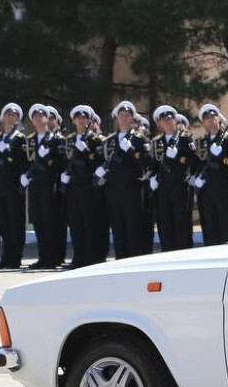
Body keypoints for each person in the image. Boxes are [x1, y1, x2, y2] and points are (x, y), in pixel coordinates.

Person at [96, 101, 152, 259]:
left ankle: (134, 259)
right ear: (116, 119)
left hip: (132, 189)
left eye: (127, 115)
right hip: (114, 190)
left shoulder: (139, 139)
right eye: (121, 115)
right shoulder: (109, 140)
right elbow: (105, 161)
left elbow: (148, 161)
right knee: (117, 226)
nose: (124, 118)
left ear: (132, 119)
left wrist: (133, 151)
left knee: (133, 226)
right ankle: (120, 259)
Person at [63, 105, 106, 268]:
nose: (81, 121)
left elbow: (99, 163)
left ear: (89, 120)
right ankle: (78, 258)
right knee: (75, 223)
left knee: (90, 223)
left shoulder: (96, 140)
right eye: (78, 118)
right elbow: (66, 161)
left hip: (89, 187)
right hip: (74, 186)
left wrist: (87, 152)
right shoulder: (70, 140)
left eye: (84, 118)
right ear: (74, 121)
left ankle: (91, 258)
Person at [24, 103, 66, 269]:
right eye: (35, 116)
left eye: (41, 115)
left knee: (50, 222)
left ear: (47, 119)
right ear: (32, 121)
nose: (38, 118)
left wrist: (49, 161)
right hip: (35, 186)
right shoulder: (30, 141)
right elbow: (26, 161)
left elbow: (61, 162)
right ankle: (43, 257)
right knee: (39, 223)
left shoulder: (56, 139)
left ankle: (53, 258)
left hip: (50, 185)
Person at [151, 105, 199, 252]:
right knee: (165, 225)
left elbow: (195, 161)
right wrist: (152, 177)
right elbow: (152, 164)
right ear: (159, 123)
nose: (166, 121)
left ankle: (184, 256)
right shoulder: (156, 142)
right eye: (163, 119)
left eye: (169, 118)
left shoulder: (185, 140)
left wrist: (179, 157)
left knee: (181, 225)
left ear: (175, 121)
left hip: (180, 188)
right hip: (163, 189)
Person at [0, 103, 29, 269]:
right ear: (2, 117)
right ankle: (6, 256)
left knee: (15, 222)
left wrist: (9, 152)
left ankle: (15, 257)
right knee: (3, 222)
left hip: (14, 185)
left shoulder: (20, 139)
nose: (11, 117)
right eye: (8, 114)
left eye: (15, 115)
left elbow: (23, 162)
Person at [193, 104, 228, 246]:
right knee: (209, 223)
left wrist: (222, 159)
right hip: (206, 188)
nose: (211, 119)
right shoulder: (201, 142)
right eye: (207, 118)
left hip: (222, 186)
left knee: (224, 222)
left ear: (219, 118)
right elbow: (196, 164)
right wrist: (197, 177)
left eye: (213, 116)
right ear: (203, 123)